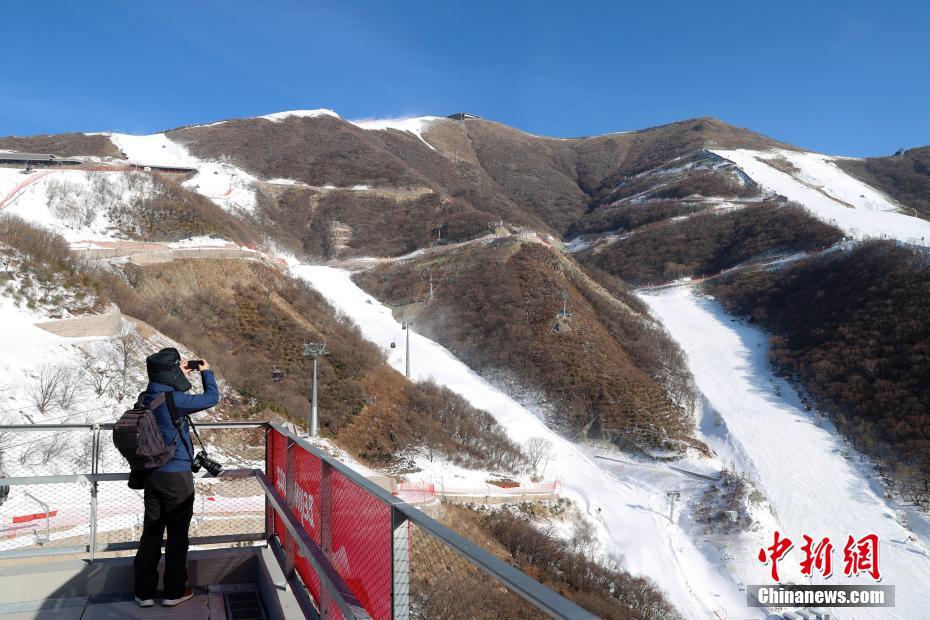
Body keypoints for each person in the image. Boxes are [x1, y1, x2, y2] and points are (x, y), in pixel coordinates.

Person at [133, 347, 219, 608]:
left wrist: (180, 371)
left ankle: (144, 593)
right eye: (178, 366)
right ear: (170, 371)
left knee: (151, 532)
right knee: (178, 535)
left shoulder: (146, 396)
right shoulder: (175, 400)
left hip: (151, 474)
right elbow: (211, 398)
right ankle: (173, 592)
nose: (183, 367)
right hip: (176, 476)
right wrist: (206, 372)